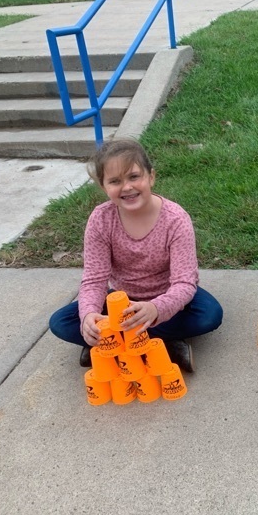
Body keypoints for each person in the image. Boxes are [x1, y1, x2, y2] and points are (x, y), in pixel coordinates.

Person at [49, 138, 223, 372]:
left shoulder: (175, 219)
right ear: (103, 187)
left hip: (167, 295)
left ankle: (114, 344)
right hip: (122, 301)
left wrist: (156, 309)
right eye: (115, 181)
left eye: (133, 176)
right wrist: (89, 315)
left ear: (151, 176)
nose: (127, 187)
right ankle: (158, 344)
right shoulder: (101, 220)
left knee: (209, 315)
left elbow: (185, 282)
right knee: (62, 322)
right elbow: (94, 279)